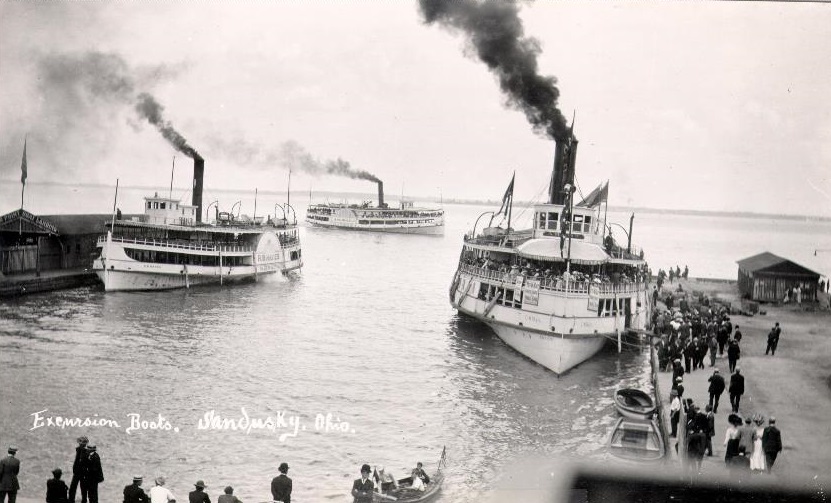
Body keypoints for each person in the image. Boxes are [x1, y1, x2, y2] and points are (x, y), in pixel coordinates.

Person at [69, 437, 88, 503]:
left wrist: (75, 469)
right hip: (82, 472)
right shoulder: (84, 451)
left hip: (78, 472)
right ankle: (84, 500)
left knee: (73, 487)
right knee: (83, 487)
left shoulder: (80, 451)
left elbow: (78, 462)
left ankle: (71, 500)